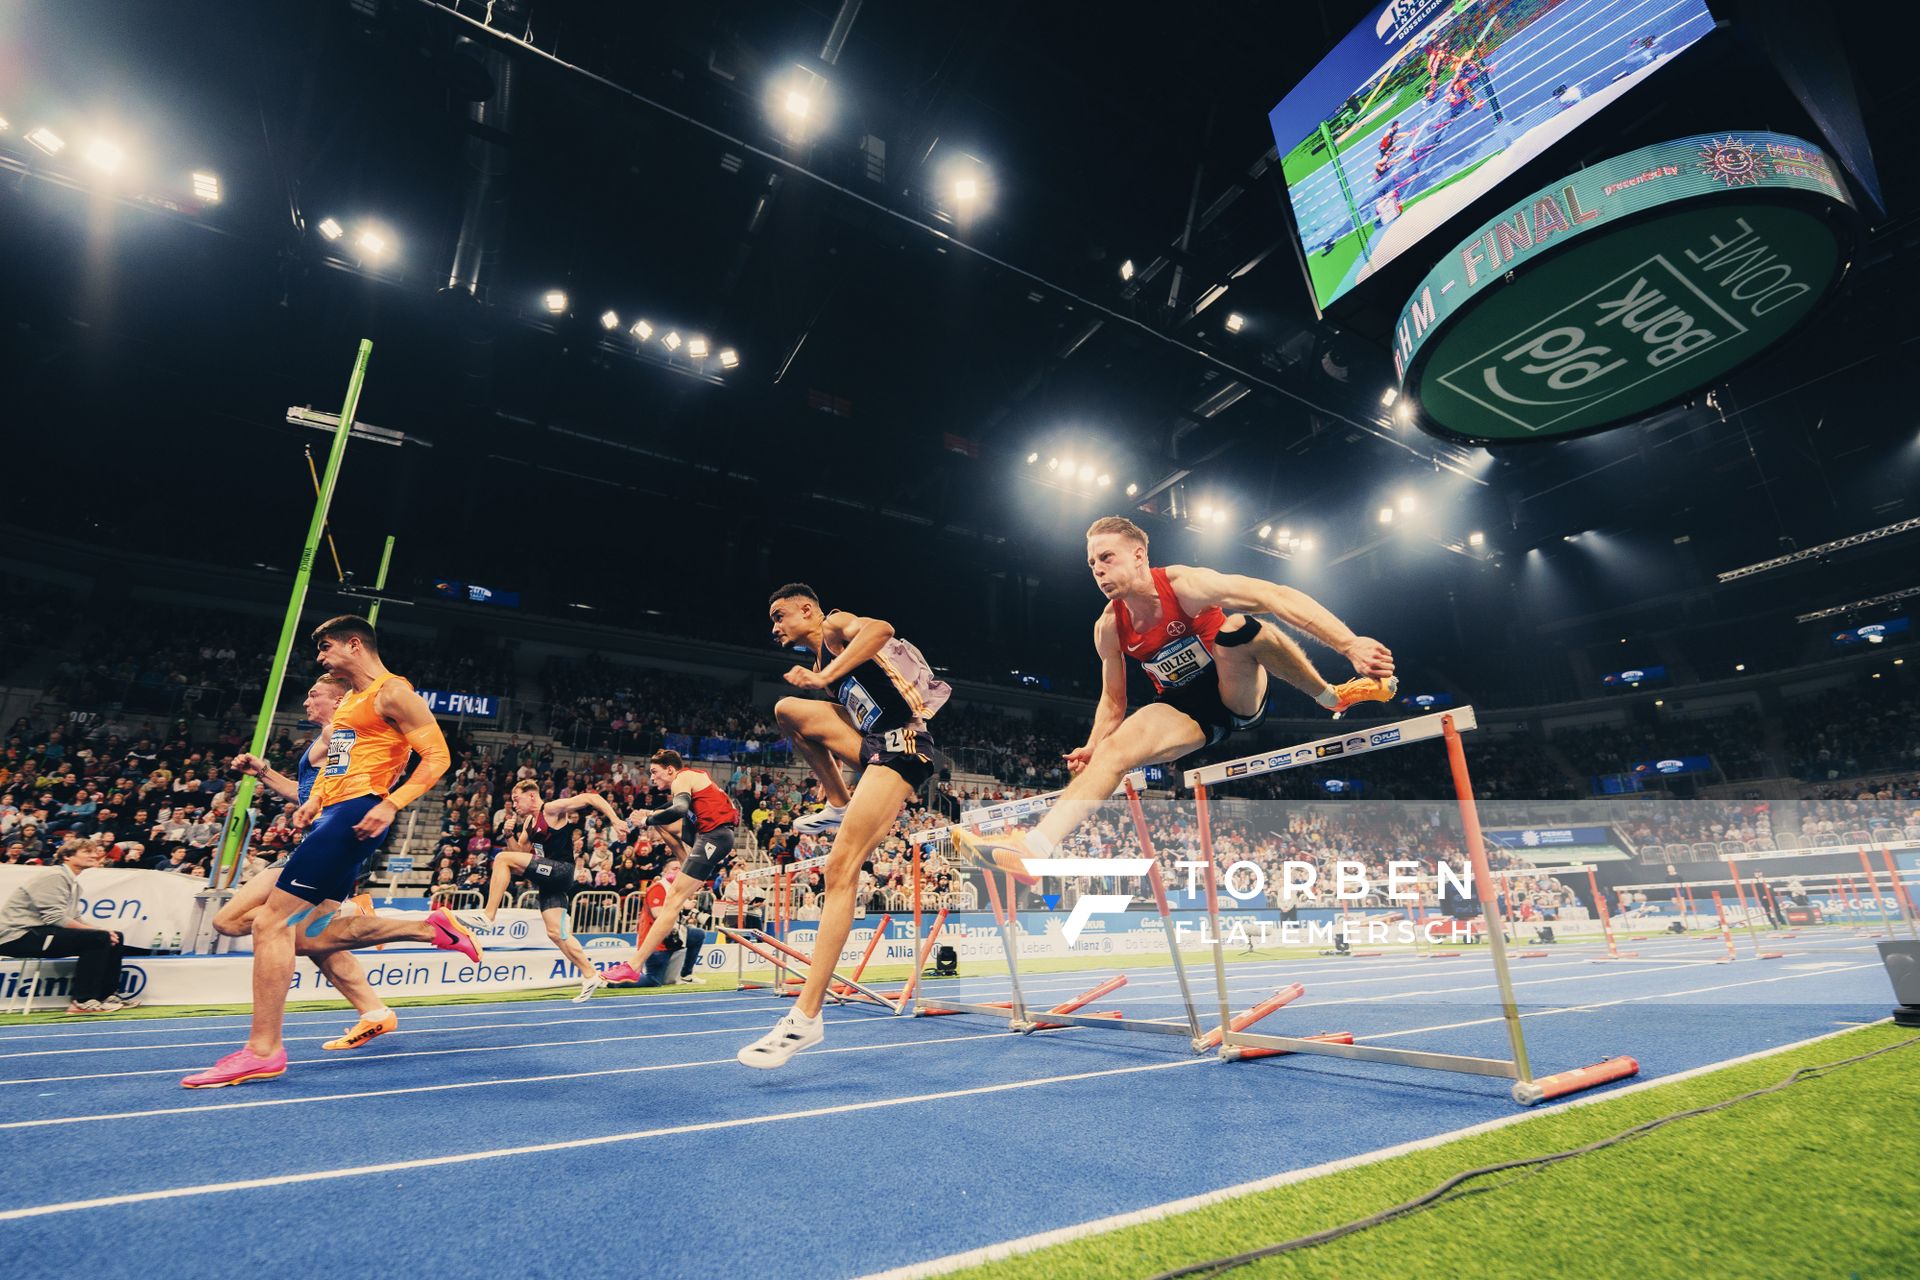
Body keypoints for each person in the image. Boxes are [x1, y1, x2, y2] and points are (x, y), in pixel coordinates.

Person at [951, 516, 1396, 883]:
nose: (1098, 570)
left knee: (1239, 627)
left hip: (1234, 684)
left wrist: (1349, 644)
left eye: (1107, 558)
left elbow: (1275, 597)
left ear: (1139, 555)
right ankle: (1035, 848)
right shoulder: (1108, 627)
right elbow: (1112, 700)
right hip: (1186, 707)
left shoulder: (1186, 585)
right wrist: (1092, 743)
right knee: (1113, 752)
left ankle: (1330, 695)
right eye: (1091, 564)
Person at [182, 616, 479, 1089]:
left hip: (358, 815)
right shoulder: (349, 707)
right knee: (306, 936)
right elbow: (334, 770)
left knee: (268, 923)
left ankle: (263, 1050)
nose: (319, 658)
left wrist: (391, 803)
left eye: (324, 648)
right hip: (334, 814)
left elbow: (439, 757)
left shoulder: (393, 691)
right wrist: (314, 803)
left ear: (353, 644)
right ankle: (423, 934)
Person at [734, 583, 950, 1067]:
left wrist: (827, 674)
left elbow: (881, 629)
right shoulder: (819, 672)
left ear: (806, 609)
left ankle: (806, 1018)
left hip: (906, 745)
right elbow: (819, 710)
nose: (774, 626)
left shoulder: (833, 627)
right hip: (875, 745)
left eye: (779, 615)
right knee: (786, 709)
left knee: (840, 869)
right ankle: (837, 799)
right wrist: (821, 682)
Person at [220, 673, 397, 1051]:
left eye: (314, 695)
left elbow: (356, 768)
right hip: (328, 846)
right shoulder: (325, 738)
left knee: (233, 920)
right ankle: (374, 1012)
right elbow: (306, 793)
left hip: (323, 845)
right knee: (312, 941)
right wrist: (264, 773)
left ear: (338, 701)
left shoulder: (338, 732)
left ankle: (350, 916)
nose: (306, 702)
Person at [483, 778, 629, 1003]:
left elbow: (592, 797)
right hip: (548, 880)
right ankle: (591, 975)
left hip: (561, 870)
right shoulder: (529, 824)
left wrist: (616, 819)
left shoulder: (550, 809)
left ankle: (488, 915)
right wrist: (509, 835)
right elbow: (520, 854)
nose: (514, 805)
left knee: (501, 858)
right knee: (556, 933)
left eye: (516, 799)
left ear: (531, 795)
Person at [603, 749, 739, 985]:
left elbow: (677, 809)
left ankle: (633, 966)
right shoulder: (686, 784)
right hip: (705, 836)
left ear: (670, 769)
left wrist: (645, 820)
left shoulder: (682, 778)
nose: (652, 778)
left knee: (672, 900)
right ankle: (686, 861)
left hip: (713, 837)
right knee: (661, 822)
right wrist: (645, 817)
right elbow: (670, 811)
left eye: (655, 772)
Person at [0, 840, 135, 1013]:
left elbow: (74, 917)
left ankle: (104, 995)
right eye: (87, 852)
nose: (94, 855)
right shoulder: (54, 876)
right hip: (16, 936)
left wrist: (104, 930)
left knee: (114, 936)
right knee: (99, 937)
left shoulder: (73, 883)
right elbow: (55, 918)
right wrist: (100, 932)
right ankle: (82, 1001)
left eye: (94, 852)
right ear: (67, 856)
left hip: (39, 932)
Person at [612, 858, 709, 987]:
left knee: (698, 934)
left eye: (681, 869)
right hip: (656, 940)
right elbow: (658, 914)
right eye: (674, 869)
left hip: (672, 936)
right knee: (654, 980)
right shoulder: (658, 887)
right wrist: (683, 906)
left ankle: (686, 975)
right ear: (664, 871)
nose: (678, 872)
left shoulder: (676, 889)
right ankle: (613, 982)